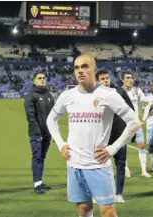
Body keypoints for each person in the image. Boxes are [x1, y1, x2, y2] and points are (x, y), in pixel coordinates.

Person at [46, 54, 140, 217]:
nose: (80, 71)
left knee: (107, 211)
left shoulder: (109, 94)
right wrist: (61, 144)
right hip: (74, 163)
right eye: (76, 68)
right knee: (83, 208)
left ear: (94, 69)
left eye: (85, 66)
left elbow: (134, 122)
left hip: (98, 164)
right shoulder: (67, 96)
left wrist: (112, 149)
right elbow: (51, 120)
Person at [94, 70, 135, 203]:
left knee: (120, 164)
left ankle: (118, 194)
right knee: (98, 165)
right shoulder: (93, 95)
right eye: (102, 79)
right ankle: (98, 194)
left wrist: (128, 130)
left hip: (118, 134)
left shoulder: (120, 92)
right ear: (97, 81)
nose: (106, 80)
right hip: (101, 136)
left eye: (107, 78)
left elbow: (131, 111)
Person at [24, 72, 55, 194]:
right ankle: (37, 184)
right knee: (37, 157)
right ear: (34, 81)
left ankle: (40, 182)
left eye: (44, 78)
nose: (42, 80)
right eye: (39, 78)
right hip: (37, 133)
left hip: (47, 132)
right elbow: (30, 117)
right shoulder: (30, 96)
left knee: (42, 157)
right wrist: (38, 133)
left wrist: (53, 132)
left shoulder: (48, 95)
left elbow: (53, 115)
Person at [121, 72, 152, 178]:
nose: (130, 80)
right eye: (127, 78)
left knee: (142, 145)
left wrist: (143, 119)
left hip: (136, 123)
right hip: (123, 124)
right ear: (123, 80)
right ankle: (126, 169)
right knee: (122, 147)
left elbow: (147, 103)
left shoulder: (136, 91)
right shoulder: (119, 92)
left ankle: (143, 171)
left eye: (131, 77)